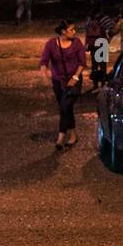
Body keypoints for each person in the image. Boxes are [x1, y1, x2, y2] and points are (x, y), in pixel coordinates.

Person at [40, 19, 88, 150]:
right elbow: (44, 61)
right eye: (71, 29)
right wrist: (44, 74)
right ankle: (73, 135)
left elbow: (82, 63)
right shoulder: (51, 44)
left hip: (74, 82)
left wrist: (75, 77)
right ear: (63, 31)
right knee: (67, 108)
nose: (74, 32)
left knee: (64, 106)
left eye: (74, 29)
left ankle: (61, 136)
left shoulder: (77, 43)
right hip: (58, 82)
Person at [84, 0, 116, 92]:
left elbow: (86, 30)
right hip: (102, 42)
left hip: (92, 43)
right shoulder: (104, 18)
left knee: (94, 65)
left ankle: (95, 85)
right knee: (102, 65)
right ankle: (102, 84)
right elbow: (112, 28)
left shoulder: (89, 18)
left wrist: (86, 44)